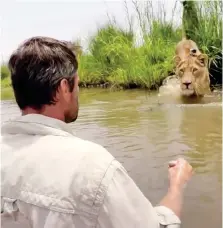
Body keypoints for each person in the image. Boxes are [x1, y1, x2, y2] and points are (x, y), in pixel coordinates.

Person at [1, 36, 193, 228]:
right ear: (63, 88)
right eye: (77, 85)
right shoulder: (93, 167)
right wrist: (177, 185)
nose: (78, 92)